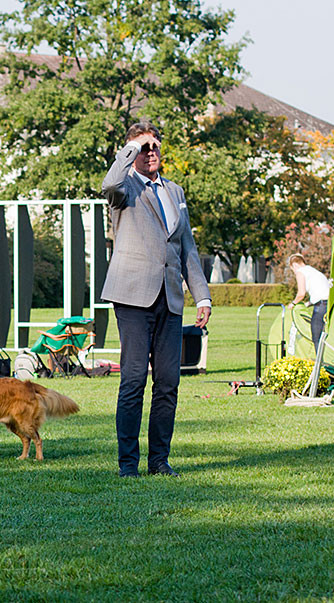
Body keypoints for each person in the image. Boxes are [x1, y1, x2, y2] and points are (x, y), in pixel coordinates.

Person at [101, 121, 211, 479]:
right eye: (143, 147)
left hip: (170, 298)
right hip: (132, 296)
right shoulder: (125, 187)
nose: (151, 152)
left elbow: (187, 248)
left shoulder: (175, 191)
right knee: (134, 379)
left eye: (155, 146)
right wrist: (131, 147)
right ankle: (128, 464)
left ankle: (159, 461)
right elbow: (109, 183)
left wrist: (202, 295)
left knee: (168, 382)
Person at [287, 253, 331, 350]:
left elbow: (301, 293)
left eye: (292, 270)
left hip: (321, 306)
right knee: (327, 336)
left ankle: (321, 364)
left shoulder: (300, 272)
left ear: (294, 265)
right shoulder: (314, 271)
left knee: (316, 337)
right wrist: (308, 303)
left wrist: (293, 304)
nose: (294, 272)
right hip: (329, 304)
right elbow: (321, 291)